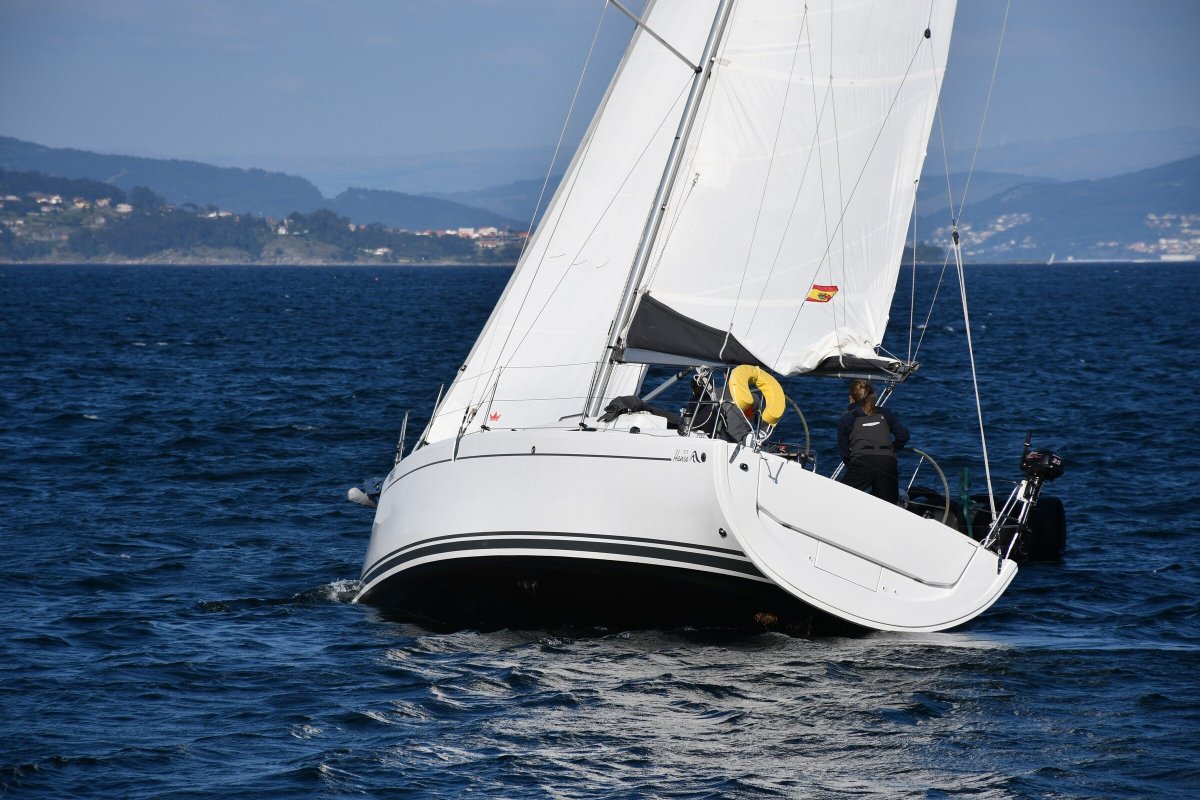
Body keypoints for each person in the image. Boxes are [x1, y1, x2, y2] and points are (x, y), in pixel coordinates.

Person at [837, 379, 909, 503]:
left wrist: (854, 465)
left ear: (851, 398)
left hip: (862, 462)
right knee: (889, 505)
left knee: (841, 497)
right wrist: (892, 448)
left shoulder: (847, 419)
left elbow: (844, 452)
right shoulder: (885, 413)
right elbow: (903, 436)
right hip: (887, 462)